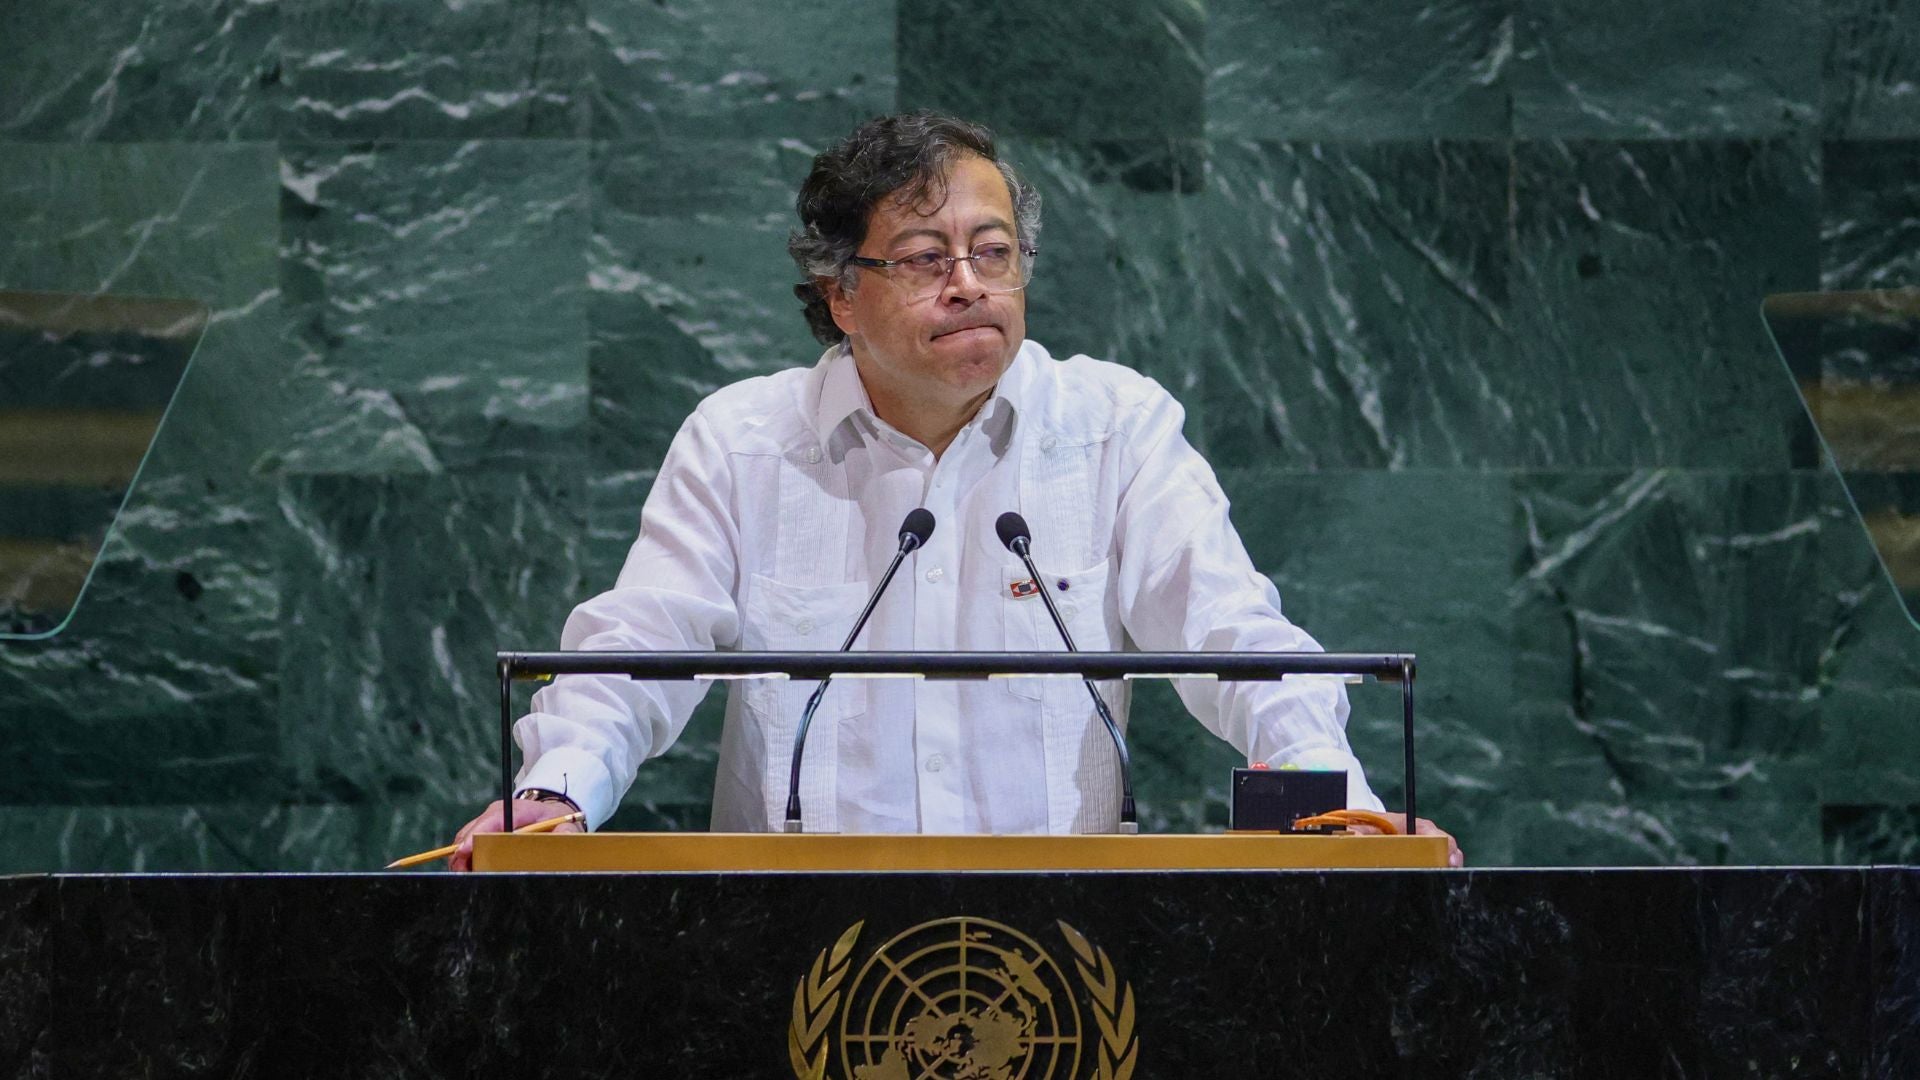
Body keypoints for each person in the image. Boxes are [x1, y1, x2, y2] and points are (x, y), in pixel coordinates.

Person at [450, 111, 1461, 869]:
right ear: (842, 295)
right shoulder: (743, 441)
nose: (970, 283)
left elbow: (1235, 639)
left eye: (994, 253)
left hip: (1067, 955)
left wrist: (1343, 808)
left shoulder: (1114, 426)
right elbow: (638, 648)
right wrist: (557, 794)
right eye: (927, 259)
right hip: (793, 953)